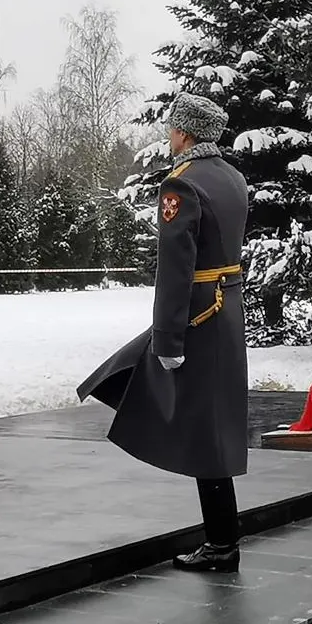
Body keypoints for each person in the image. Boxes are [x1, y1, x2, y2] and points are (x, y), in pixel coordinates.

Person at [77, 94, 251, 573]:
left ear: (186, 133)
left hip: (196, 315)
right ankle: (221, 540)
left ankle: (221, 544)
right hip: (227, 309)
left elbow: (175, 270)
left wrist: (170, 339)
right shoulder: (233, 178)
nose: (170, 135)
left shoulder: (183, 185)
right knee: (207, 421)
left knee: (202, 428)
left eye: (175, 128)